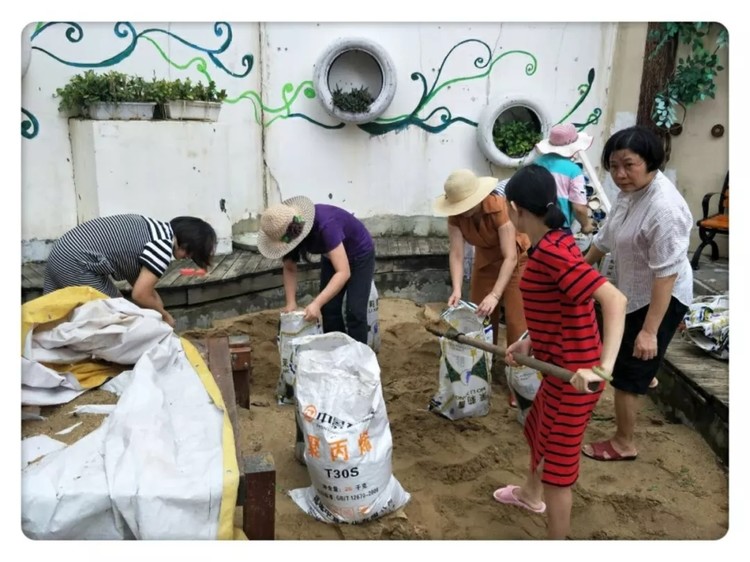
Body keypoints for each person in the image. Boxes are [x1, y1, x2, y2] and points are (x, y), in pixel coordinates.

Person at [494, 164, 627, 540]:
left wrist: (601, 370)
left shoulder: (554, 253)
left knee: (557, 472)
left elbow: (614, 301)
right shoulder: (553, 240)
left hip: (577, 378)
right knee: (538, 432)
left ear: (516, 208)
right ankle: (529, 495)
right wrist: (530, 340)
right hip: (557, 368)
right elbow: (563, 308)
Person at [581, 125, 693, 462]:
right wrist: (578, 273)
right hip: (633, 289)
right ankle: (646, 372)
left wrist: (649, 331)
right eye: (614, 166)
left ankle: (623, 443)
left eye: (629, 165)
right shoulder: (629, 193)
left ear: (651, 161)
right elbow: (605, 238)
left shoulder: (664, 209)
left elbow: (666, 275)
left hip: (661, 296)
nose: (620, 174)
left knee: (628, 372)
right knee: (629, 356)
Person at [433, 169, 531, 406]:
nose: (462, 210)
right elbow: (457, 254)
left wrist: (496, 295)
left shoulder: (498, 207)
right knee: (480, 317)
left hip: (515, 261)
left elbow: (510, 256)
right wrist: (457, 289)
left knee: (516, 321)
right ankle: (484, 367)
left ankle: (518, 379)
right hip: (485, 261)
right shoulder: (455, 216)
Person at [43, 214, 217, 327]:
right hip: (76, 262)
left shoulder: (153, 228)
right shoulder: (162, 247)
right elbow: (140, 295)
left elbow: (144, 287)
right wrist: (164, 316)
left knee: (46, 318)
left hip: (60, 252)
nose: (188, 258)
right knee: (117, 313)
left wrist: (160, 309)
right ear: (186, 244)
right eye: (191, 254)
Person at [257, 196, 375, 345]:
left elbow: (343, 273)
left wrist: (316, 303)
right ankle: (336, 349)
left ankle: (359, 354)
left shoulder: (326, 225)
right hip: (331, 255)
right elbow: (290, 268)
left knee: (355, 311)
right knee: (329, 309)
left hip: (359, 254)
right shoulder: (287, 235)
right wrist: (291, 303)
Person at [533, 123, 595, 234]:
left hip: (534, 225)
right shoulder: (574, 170)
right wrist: (586, 225)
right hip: (560, 228)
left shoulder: (537, 163)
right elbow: (579, 208)